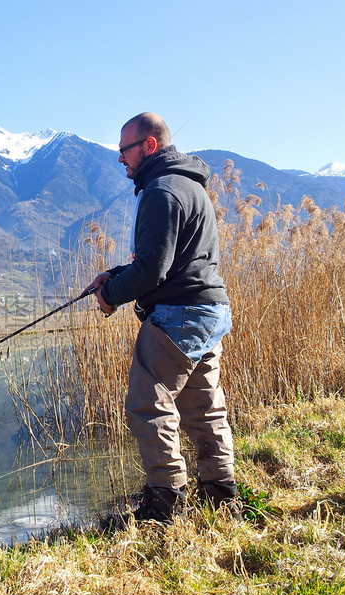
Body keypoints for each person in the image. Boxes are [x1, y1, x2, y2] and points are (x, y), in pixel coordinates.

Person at [84, 112, 239, 524]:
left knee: (147, 405)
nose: (120, 159)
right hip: (209, 312)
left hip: (178, 315)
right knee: (203, 407)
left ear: (149, 146)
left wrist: (110, 296)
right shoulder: (191, 187)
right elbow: (174, 262)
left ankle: (163, 503)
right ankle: (221, 494)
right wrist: (116, 274)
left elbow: (153, 270)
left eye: (124, 150)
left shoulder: (160, 191)